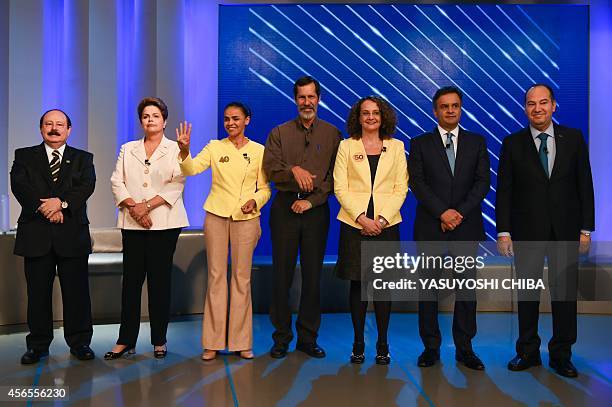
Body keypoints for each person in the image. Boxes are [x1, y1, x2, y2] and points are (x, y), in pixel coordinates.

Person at [496, 84, 594, 378]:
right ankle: (527, 351)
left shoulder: (573, 139)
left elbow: (584, 186)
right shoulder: (512, 143)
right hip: (527, 231)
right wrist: (504, 232)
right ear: (525, 108)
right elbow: (505, 192)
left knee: (564, 294)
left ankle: (562, 354)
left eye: (543, 103)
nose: (537, 109)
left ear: (553, 106)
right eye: (530, 104)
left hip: (566, 230)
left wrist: (585, 229)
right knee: (527, 294)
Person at [177, 102, 270, 361]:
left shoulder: (259, 151)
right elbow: (192, 169)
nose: (230, 123)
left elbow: (265, 188)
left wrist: (256, 201)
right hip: (217, 216)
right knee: (216, 277)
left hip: (247, 218)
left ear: (247, 120)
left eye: (236, 118)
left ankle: (242, 342)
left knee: (242, 279)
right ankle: (213, 342)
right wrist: (184, 151)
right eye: (227, 119)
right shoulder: (215, 147)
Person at [408, 86, 490, 370]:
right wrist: (442, 212)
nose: (450, 110)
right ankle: (430, 347)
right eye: (445, 106)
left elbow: (482, 183)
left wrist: (459, 213)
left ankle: (465, 348)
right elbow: (417, 183)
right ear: (435, 110)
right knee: (428, 289)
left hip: (466, 227)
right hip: (431, 226)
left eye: (455, 105)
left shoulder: (477, 142)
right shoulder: (419, 143)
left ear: (461, 108)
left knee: (467, 290)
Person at [263, 76, 342, 359]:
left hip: (316, 212)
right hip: (284, 209)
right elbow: (271, 168)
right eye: (301, 97)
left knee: (312, 277)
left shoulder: (333, 134)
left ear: (318, 99)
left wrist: (311, 202)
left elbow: (336, 177)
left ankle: (308, 338)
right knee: (281, 276)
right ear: (295, 100)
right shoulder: (279, 133)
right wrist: (293, 171)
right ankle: (281, 337)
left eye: (311, 97)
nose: (306, 102)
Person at [11, 109, 96, 364]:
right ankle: (37, 345)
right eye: (48, 124)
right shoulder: (24, 156)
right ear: (41, 129)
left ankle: (80, 343)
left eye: (60, 124)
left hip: (72, 234)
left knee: (77, 293)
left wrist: (62, 204)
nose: (54, 128)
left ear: (69, 130)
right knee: (37, 294)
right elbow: (20, 186)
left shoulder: (83, 158)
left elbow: (86, 186)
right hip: (36, 233)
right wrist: (47, 209)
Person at [107, 97, 189, 360]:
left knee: (159, 282)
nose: (150, 119)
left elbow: (177, 183)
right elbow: (116, 181)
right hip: (132, 223)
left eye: (155, 115)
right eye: (145, 116)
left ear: (164, 121)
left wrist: (147, 207)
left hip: (164, 222)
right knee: (131, 282)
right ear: (141, 121)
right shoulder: (128, 148)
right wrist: (134, 207)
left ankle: (159, 340)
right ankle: (125, 340)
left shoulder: (177, 148)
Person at [333, 96, 408, 365]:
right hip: (355, 225)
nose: (371, 117)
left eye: (376, 113)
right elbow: (340, 187)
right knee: (358, 283)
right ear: (358, 117)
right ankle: (358, 343)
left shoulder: (397, 147)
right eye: (365, 113)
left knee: (382, 286)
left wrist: (382, 220)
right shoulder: (346, 146)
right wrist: (363, 218)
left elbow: (401, 188)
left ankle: (383, 343)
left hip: (387, 226)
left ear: (383, 116)